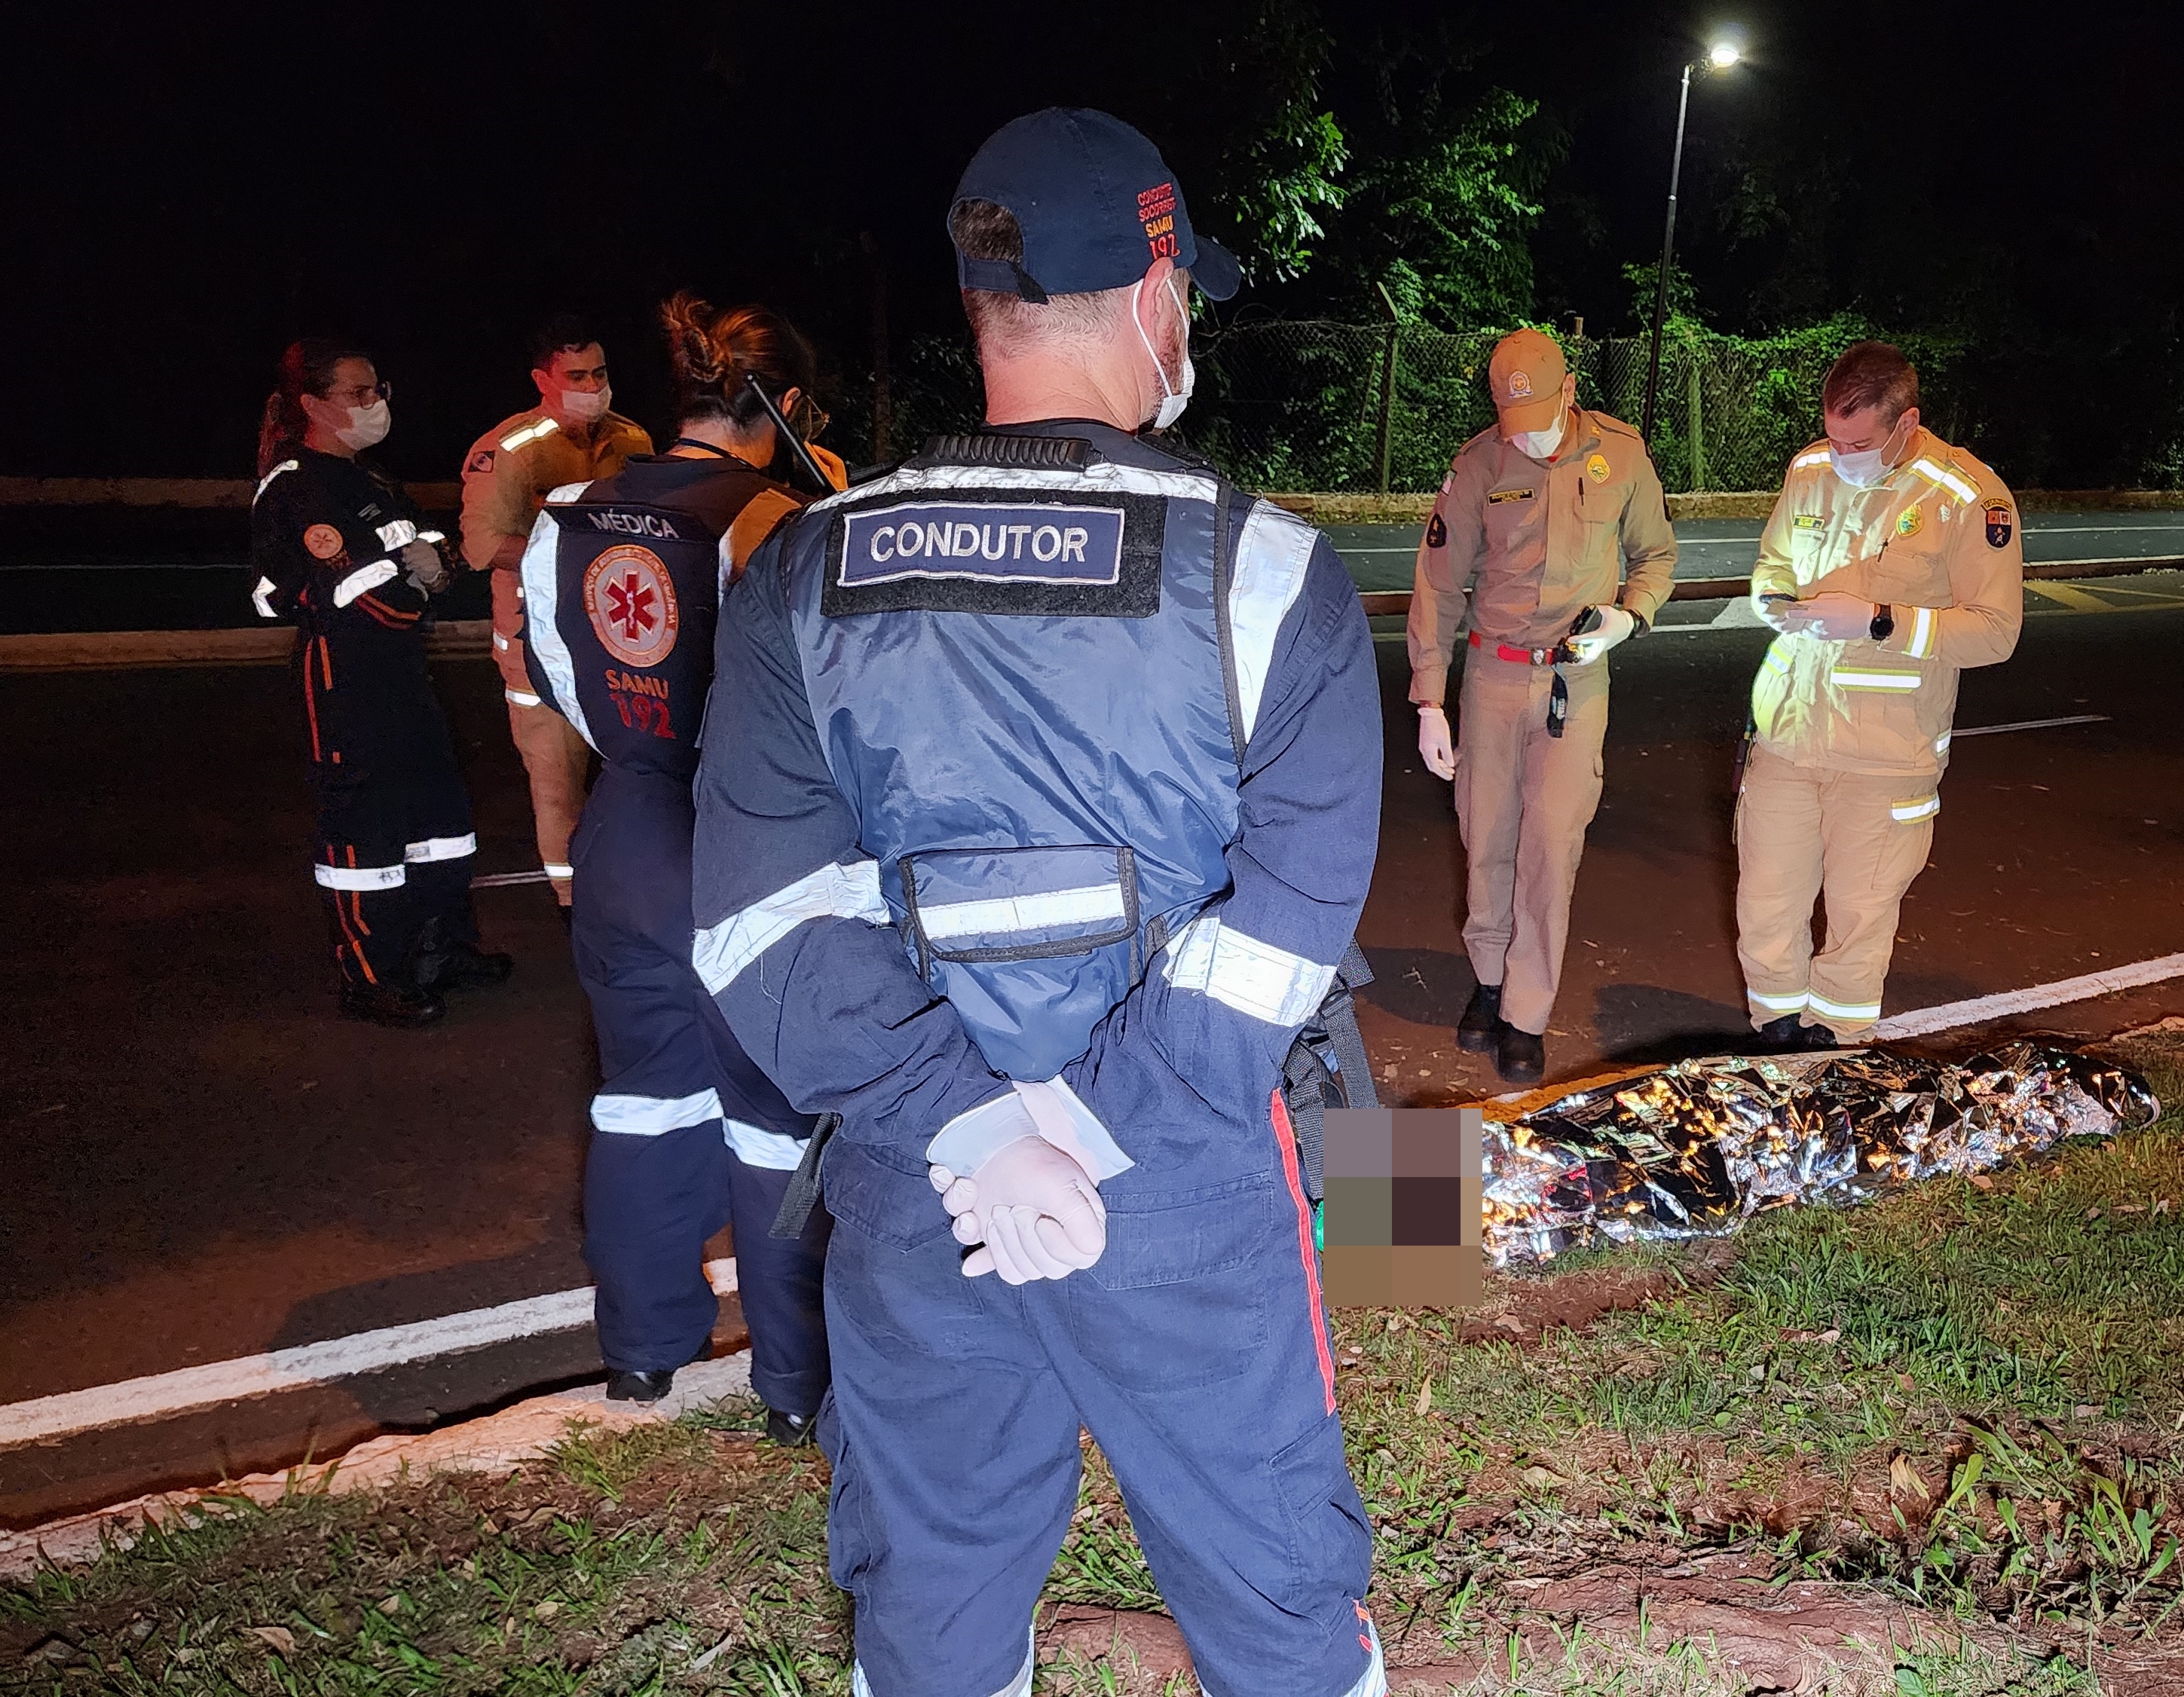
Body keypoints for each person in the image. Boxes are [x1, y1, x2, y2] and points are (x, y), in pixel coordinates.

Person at [690, 109, 1385, 1697]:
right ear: (1155, 294)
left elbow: (754, 924)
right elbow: (1284, 925)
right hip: (1186, 1177)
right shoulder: (1264, 572)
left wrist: (976, 1133)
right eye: (1185, 291)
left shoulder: (803, 571)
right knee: (1273, 1582)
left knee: (928, 1604)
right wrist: (1075, 1131)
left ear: (979, 308)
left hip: (921, 1195)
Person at [522, 295, 843, 1441]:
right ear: (788, 406)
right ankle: (797, 1387)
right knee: (779, 1123)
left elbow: (558, 681)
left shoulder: (569, 510)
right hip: (749, 847)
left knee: (645, 1102)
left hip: (627, 829)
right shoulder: (782, 525)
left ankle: (644, 1359)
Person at [1406, 329, 1675, 1084]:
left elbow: (1656, 555)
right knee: (1484, 836)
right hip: (1491, 677)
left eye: (1533, 413)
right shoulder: (1478, 463)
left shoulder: (1620, 454)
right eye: (1506, 416)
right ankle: (1487, 978)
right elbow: (1436, 581)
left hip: (1575, 682)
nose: (1519, 432)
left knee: (1550, 848)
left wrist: (1630, 614)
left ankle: (1525, 1010)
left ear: (1569, 388)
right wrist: (1430, 699)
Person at [1736, 341, 2023, 1044]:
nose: (1839, 454)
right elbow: (1773, 562)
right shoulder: (1809, 469)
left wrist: (1879, 621)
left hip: (1887, 753)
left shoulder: (1966, 496)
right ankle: (1774, 1046)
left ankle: (1833, 1061)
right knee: (1765, 908)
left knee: (1859, 923)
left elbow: (1995, 633)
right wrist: (1771, 596)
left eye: (1857, 442)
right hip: (1787, 734)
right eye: (1833, 436)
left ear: (1906, 422)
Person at [249, 339, 511, 1027]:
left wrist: (427, 571)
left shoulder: (371, 483)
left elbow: (440, 565)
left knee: (438, 817)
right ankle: (369, 974)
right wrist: (416, 577)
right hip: (345, 677)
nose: (377, 404)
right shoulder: (297, 487)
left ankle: (441, 949)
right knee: (363, 826)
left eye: (379, 390)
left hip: (402, 673)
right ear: (312, 405)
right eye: (359, 394)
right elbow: (376, 598)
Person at [460, 317, 654, 913]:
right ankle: (573, 904)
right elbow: (481, 545)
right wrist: (577, 548)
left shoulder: (634, 441)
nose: (591, 385)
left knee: (638, 775)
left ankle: (636, 892)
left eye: (598, 373)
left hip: (622, 638)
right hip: (535, 646)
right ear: (542, 379)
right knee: (556, 783)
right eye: (575, 375)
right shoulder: (510, 449)